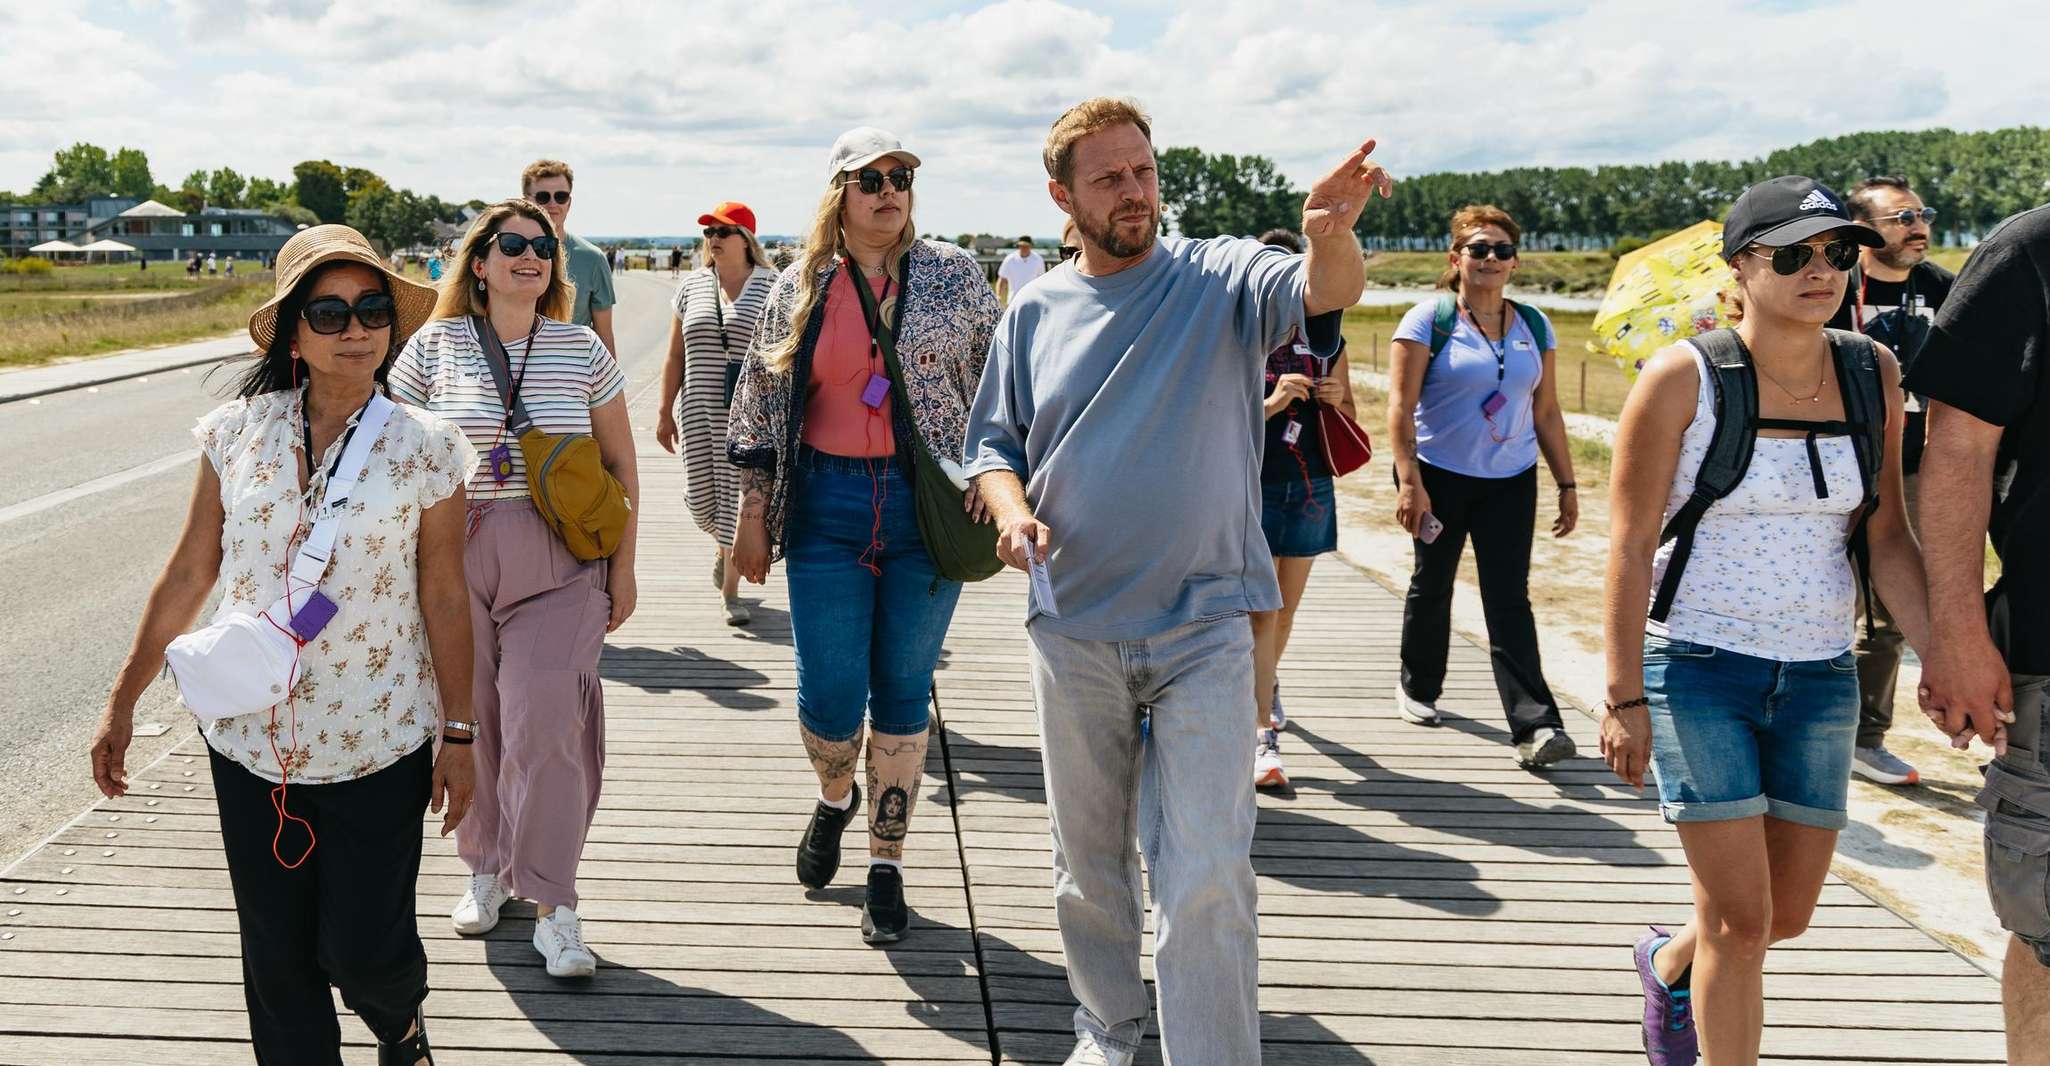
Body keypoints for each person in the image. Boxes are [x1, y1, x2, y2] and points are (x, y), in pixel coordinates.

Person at [965, 97, 1388, 1066]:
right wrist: (1009, 507)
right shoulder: (1031, 309)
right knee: (1089, 865)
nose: (1134, 192)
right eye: (1109, 177)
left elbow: (1327, 290)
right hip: (1073, 623)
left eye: (1144, 170)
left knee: (1205, 869)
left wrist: (1328, 236)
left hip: (1205, 623)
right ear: (1061, 196)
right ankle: (1106, 1028)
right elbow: (990, 443)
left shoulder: (1218, 274)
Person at [89, 224, 474, 1066]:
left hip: (380, 741)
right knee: (277, 964)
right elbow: (192, 570)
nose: (356, 328)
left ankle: (399, 1022)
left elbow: (446, 595)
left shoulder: (429, 449)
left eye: (372, 308)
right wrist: (123, 703)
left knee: (370, 952)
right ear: (294, 332)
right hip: (250, 743)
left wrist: (460, 733)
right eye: (329, 313)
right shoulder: (235, 433)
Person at [1599, 177, 1929, 1066]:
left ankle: (1668, 963)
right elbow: (1628, 548)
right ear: (1742, 266)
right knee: (1741, 924)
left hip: (1822, 675)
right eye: (1793, 254)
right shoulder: (1683, 378)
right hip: (1699, 669)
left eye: (1838, 252)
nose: (1821, 270)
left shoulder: (1873, 371)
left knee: (1783, 917)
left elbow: (1888, 535)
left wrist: (1942, 655)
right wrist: (1622, 698)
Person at [727, 126, 1000, 946]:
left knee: (905, 693)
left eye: (902, 175)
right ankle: (833, 797)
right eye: (871, 178)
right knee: (831, 697)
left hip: (925, 507)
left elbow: (1002, 387)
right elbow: (759, 400)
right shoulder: (801, 283)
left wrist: (998, 477)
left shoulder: (955, 275)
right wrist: (749, 513)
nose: (890, 189)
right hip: (826, 507)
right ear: (839, 193)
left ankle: (887, 863)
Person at [387, 198, 639, 979]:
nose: (531, 256)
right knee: (476, 723)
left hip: (559, 558)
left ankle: (555, 903)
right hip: (456, 556)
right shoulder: (431, 349)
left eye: (543, 247)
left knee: (545, 724)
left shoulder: (580, 350)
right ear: (481, 260)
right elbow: (391, 449)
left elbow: (623, 467)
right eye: (514, 244)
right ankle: (486, 867)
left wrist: (623, 570)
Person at [1909, 201, 2050, 1066]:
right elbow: (1957, 448)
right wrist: (1957, 631)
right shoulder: (2031, 252)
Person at [1386, 205, 1579, 767]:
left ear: (1515, 262)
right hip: (1439, 475)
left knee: (1508, 598)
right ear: (1456, 259)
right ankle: (1419, 686)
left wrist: (1567, 482)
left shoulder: (1535, 326)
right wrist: (1408, 483)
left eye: (1500, 249)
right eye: (1478, 248)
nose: (1490, 258)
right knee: (1434, 583)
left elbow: (1546, 411)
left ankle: (1536, 726)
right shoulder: (1427, 320)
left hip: (1511, 480)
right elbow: (1399, 409)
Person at [1823, 176, 1955, 787]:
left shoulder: (1945, 291)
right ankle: (1807, 724)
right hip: (1840, 465)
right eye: (1900, 217)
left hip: (1918, 469)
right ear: (1864, 228)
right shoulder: (1835, 285)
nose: (1917, 225)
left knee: (1894, 610)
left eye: (1920, 214)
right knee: (1831, 601)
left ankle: (1865, 738)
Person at [1250, 227, 1356, 791]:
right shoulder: (1243, 333)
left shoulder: (1329, 338)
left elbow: (1350, 415)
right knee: (1261, 614)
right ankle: (1261, 731)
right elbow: (1217, 420)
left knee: (1284, 613)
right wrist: (1271, 402)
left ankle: (1265, 684)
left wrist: (1335, 395)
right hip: (1255, 483)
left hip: (1311, 482)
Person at [657, 201, 778, 626]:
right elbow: (674, 354)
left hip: (749, 415)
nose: (713, 240)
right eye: (709, 233)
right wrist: (663, 411)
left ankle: (731, 593)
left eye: (722, 233)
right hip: (698, 409)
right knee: (704, 502)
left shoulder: (772, 286)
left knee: (736, 496)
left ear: (745, 239)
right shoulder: (692, 286)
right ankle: (721, 544)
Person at [521, 159, 618, 356]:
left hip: (573, 377)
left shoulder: (593, 259)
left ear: (569, 202)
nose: (552, 204)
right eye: (542, 197)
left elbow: (604, 334)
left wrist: (613, 386)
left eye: (561, 196)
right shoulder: (507, 255)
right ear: (525, 201)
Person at [996, 234, 1046, 305]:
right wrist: (999, 295)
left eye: (1026, 246)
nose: (1024, 248)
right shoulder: (1010, 259)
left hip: (1033, 301)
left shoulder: (1038, 259)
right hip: (1013, 301)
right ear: (1018, 246)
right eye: (1021, 246)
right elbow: (1002, 279)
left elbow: (1041, 281)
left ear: (1030, 246)